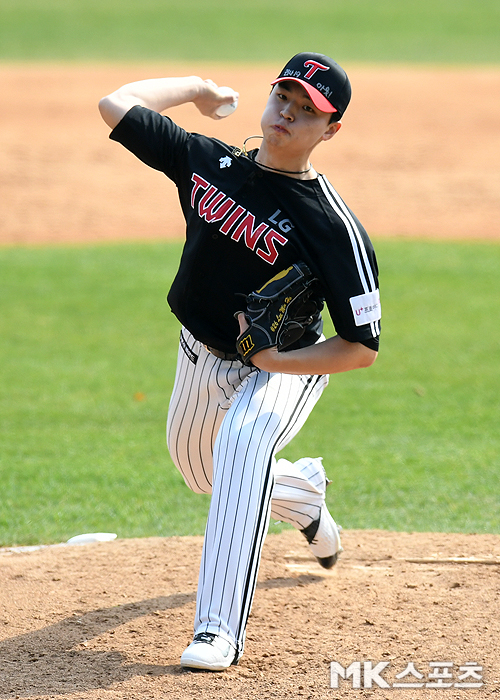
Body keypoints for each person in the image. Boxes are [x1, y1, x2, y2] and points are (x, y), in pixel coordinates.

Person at [98, 52, 381, 671]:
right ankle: (303, 496)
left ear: (330, 131)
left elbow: (360, 347)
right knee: (201, 470)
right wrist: (197, 88)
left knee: (243, 446)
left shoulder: (334, 230)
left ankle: (216, 630)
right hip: (199, 353)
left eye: (309, 111)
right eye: (286, 97)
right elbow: (116, 104)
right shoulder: (209, 164)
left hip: (288, 365)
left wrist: (281, 362)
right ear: (270, 96)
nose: (289, 114)